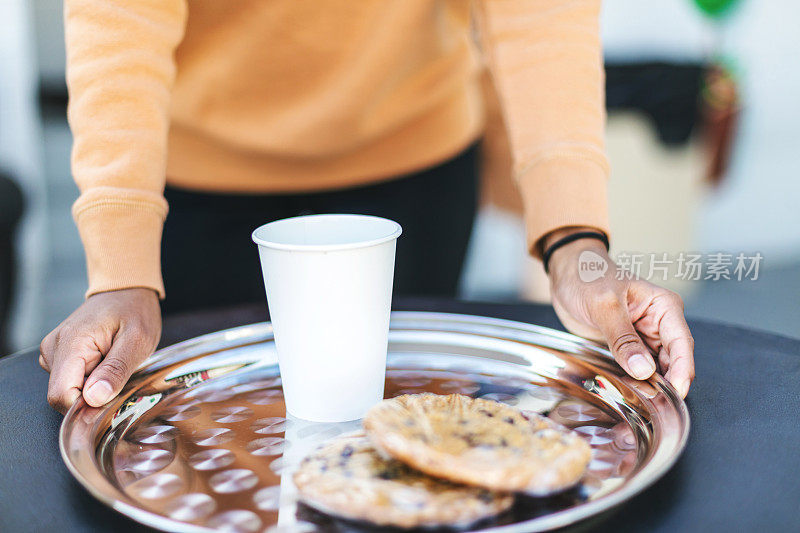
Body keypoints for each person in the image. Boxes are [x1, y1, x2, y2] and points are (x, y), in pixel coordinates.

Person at [40, 1, 694, 413]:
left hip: (416, 167)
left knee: (408, 443)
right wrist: (122, 262)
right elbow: (119, 15)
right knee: (210, 437)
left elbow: (540, 16)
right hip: (200, 187)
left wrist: (576, 241)